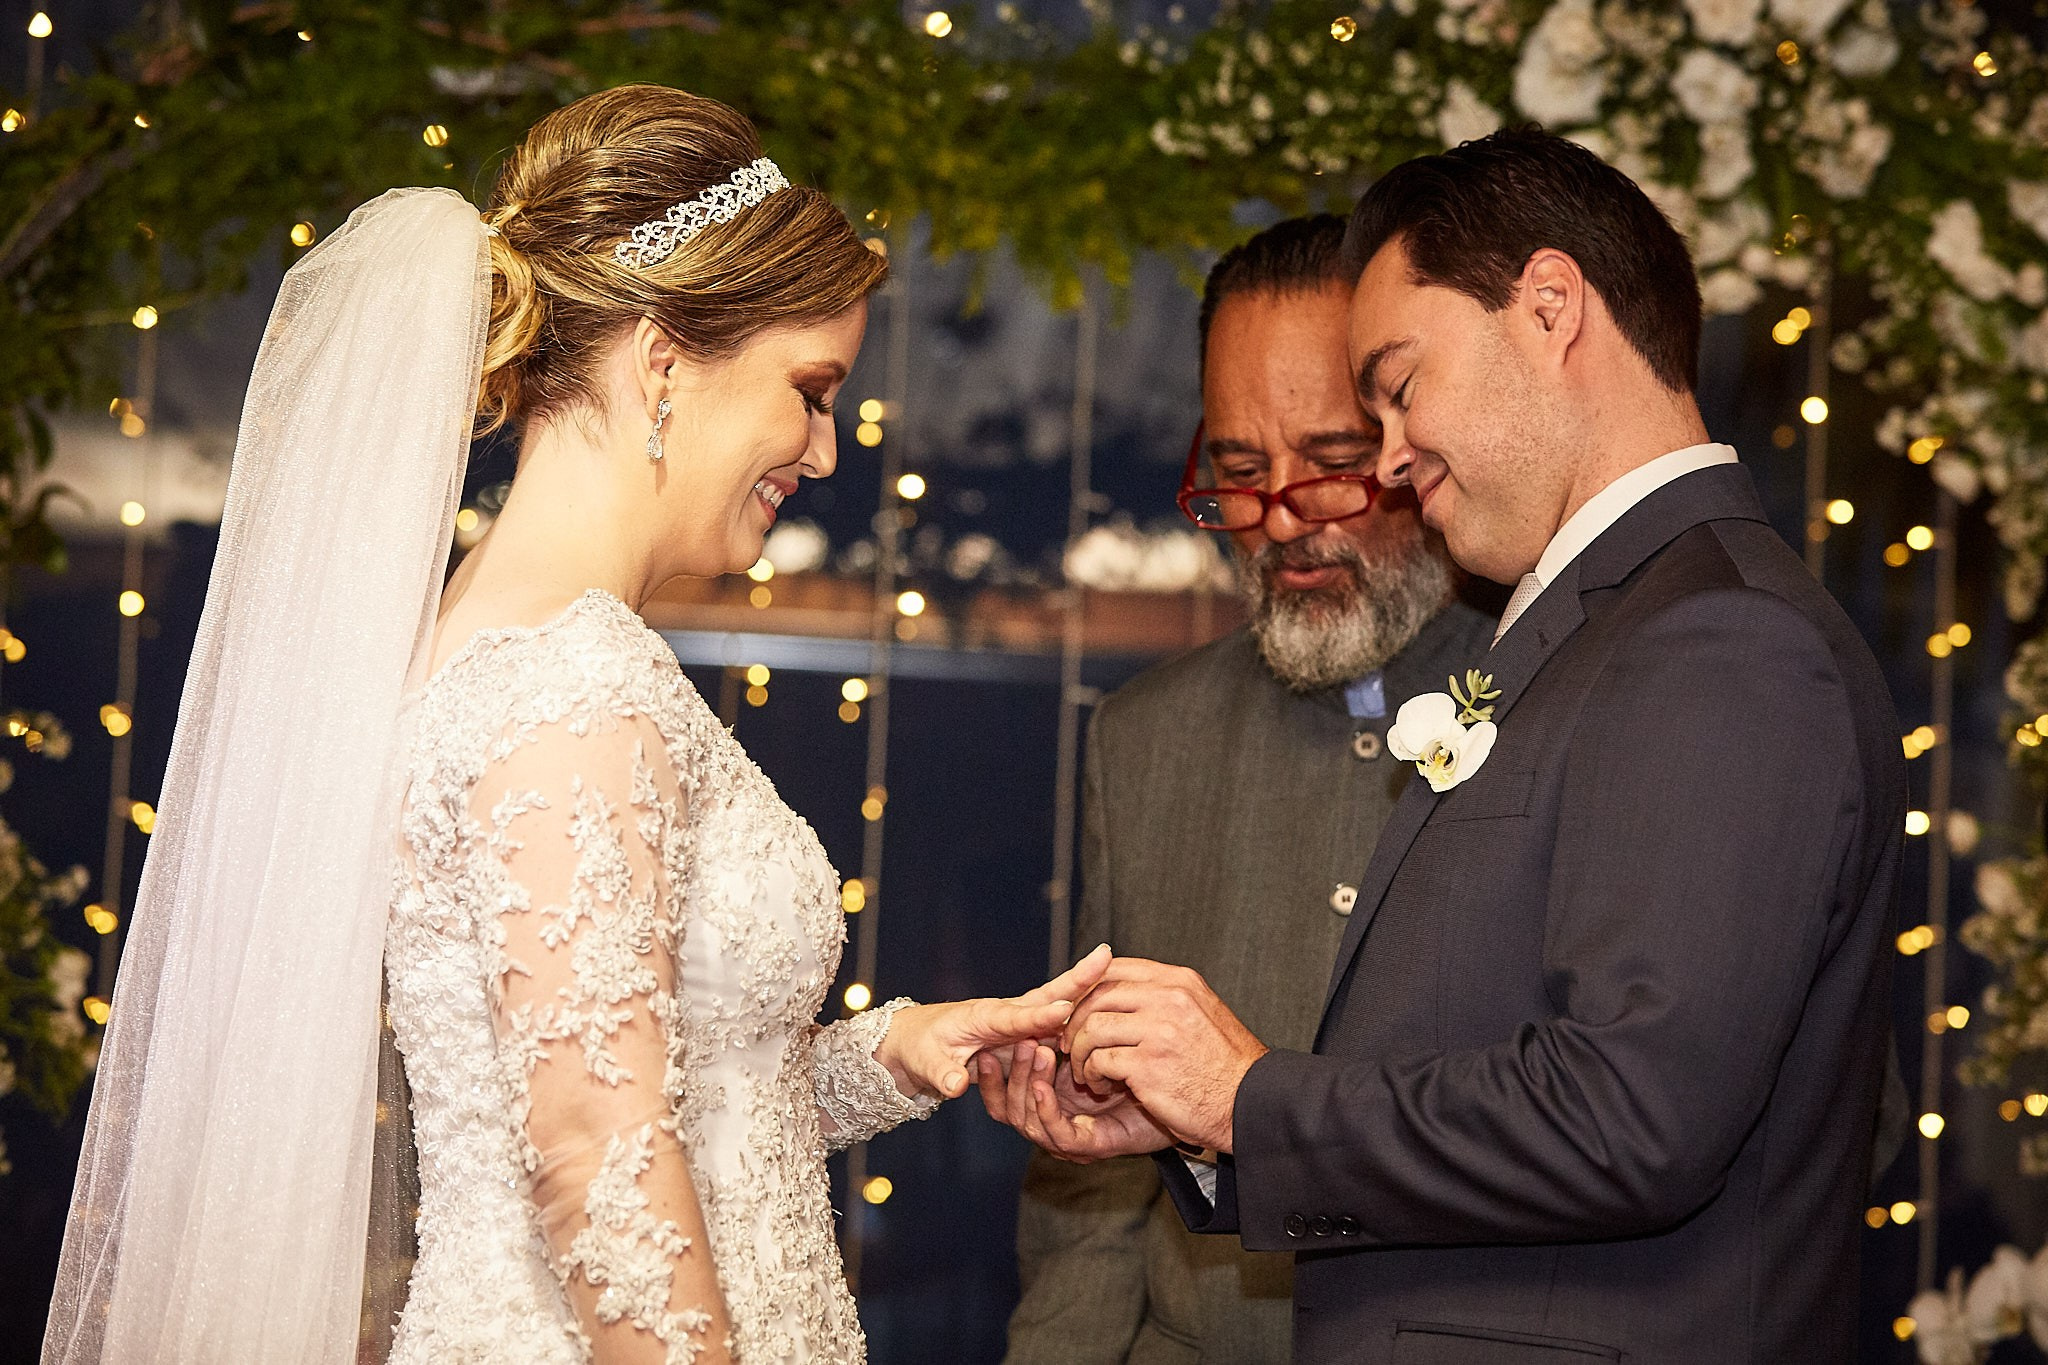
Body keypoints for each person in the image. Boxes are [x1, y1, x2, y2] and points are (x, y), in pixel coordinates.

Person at [44, 84, 1107, 1365]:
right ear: (662, 362)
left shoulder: (518, 643)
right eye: (810, 390)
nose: (824, 450)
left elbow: (650, 1097)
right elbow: (597, 1168)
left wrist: (903, 1049)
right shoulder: (570, 683)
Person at [981, 127, 1903, 1364]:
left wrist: (1249, 1103)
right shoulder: (1600, 625)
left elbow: (1639, 1116)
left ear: (1547, 308)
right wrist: (1203, 1133)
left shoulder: (1715, 638)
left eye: (1394, 394)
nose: (1399, 459)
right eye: (1237, 474)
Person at [1001, 215, 1491, 1365]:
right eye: (1234, 473)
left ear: (1418, 435)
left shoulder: (1571, 698)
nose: (1276, 523)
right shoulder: (1143, 737)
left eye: (1326, 464)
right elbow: (1092, 1192)